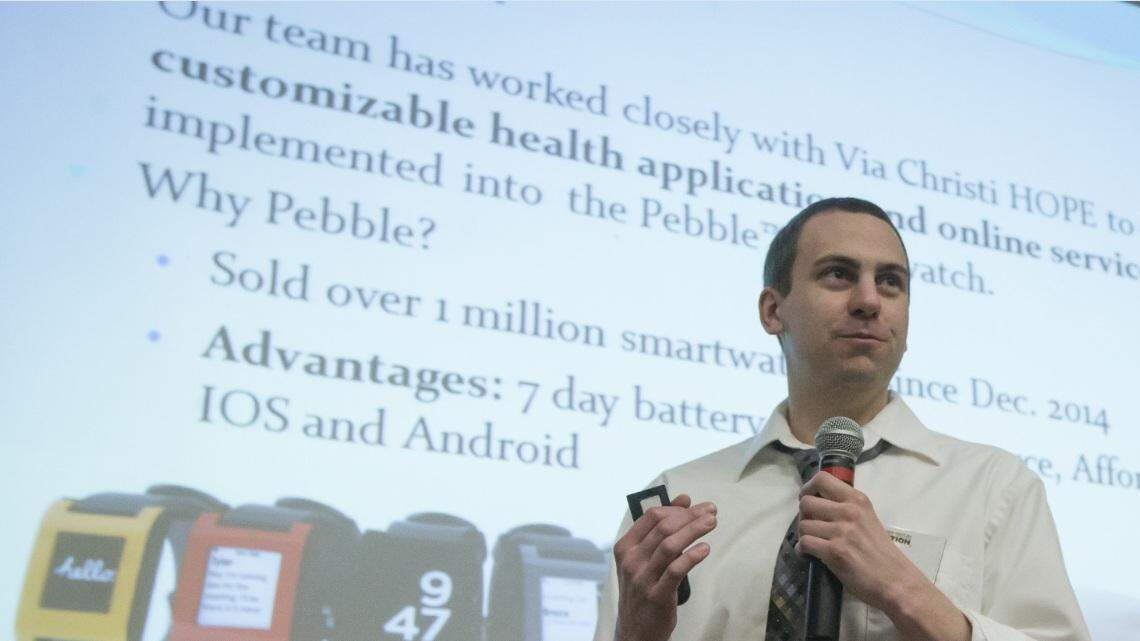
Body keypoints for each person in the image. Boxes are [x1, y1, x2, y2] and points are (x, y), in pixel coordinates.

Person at [593, 198, 1090, 641]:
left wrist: (906, 591)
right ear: (772, 310)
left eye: (890, 283)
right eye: (838, 274)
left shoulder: (994, 488)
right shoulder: (677, 498)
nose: (869, 301)